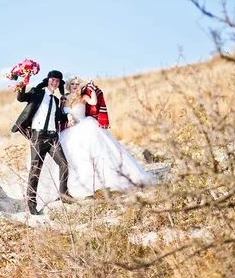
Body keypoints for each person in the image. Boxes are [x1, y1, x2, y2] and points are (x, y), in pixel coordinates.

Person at [38, 76, 155, 206]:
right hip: (69, 131)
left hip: (85, 126)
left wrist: (92, 88)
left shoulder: (83, 96)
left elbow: (94, 102)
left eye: (77, 84)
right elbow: (60, 114)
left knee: (93, 155)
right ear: (68, 85)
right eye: (72, 84)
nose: (75, 86)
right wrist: (68, 116)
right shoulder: (63, 98)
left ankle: (96, 185)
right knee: (70, 158)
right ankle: (65, 188)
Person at [11, 70, 72, 215]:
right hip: (38, 136)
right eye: (52, 79)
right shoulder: (37, 93)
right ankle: (31, 204)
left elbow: (59, 119)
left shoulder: (56, 101)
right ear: (48, 80)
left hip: (53, 137)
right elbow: (21, 97)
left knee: (64, 164)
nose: (54, 82)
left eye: (57, 81)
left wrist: (69, 115)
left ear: (59, 84)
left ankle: (64, 196)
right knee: (35, 170)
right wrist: (23, 81)